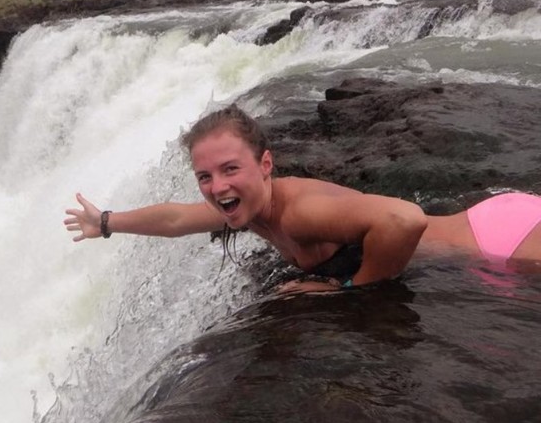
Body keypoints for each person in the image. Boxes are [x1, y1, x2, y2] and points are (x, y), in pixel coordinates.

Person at [64, 105, 541, 293]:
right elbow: (174, 219)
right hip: (493, 228)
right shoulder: (242, 208)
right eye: (205, 176)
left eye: (231, 169)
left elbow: (405, 220)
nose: (217, 186)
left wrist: (344, 288)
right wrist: (106, 222)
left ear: (265, 165)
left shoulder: (300, 210)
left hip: (500, 244)